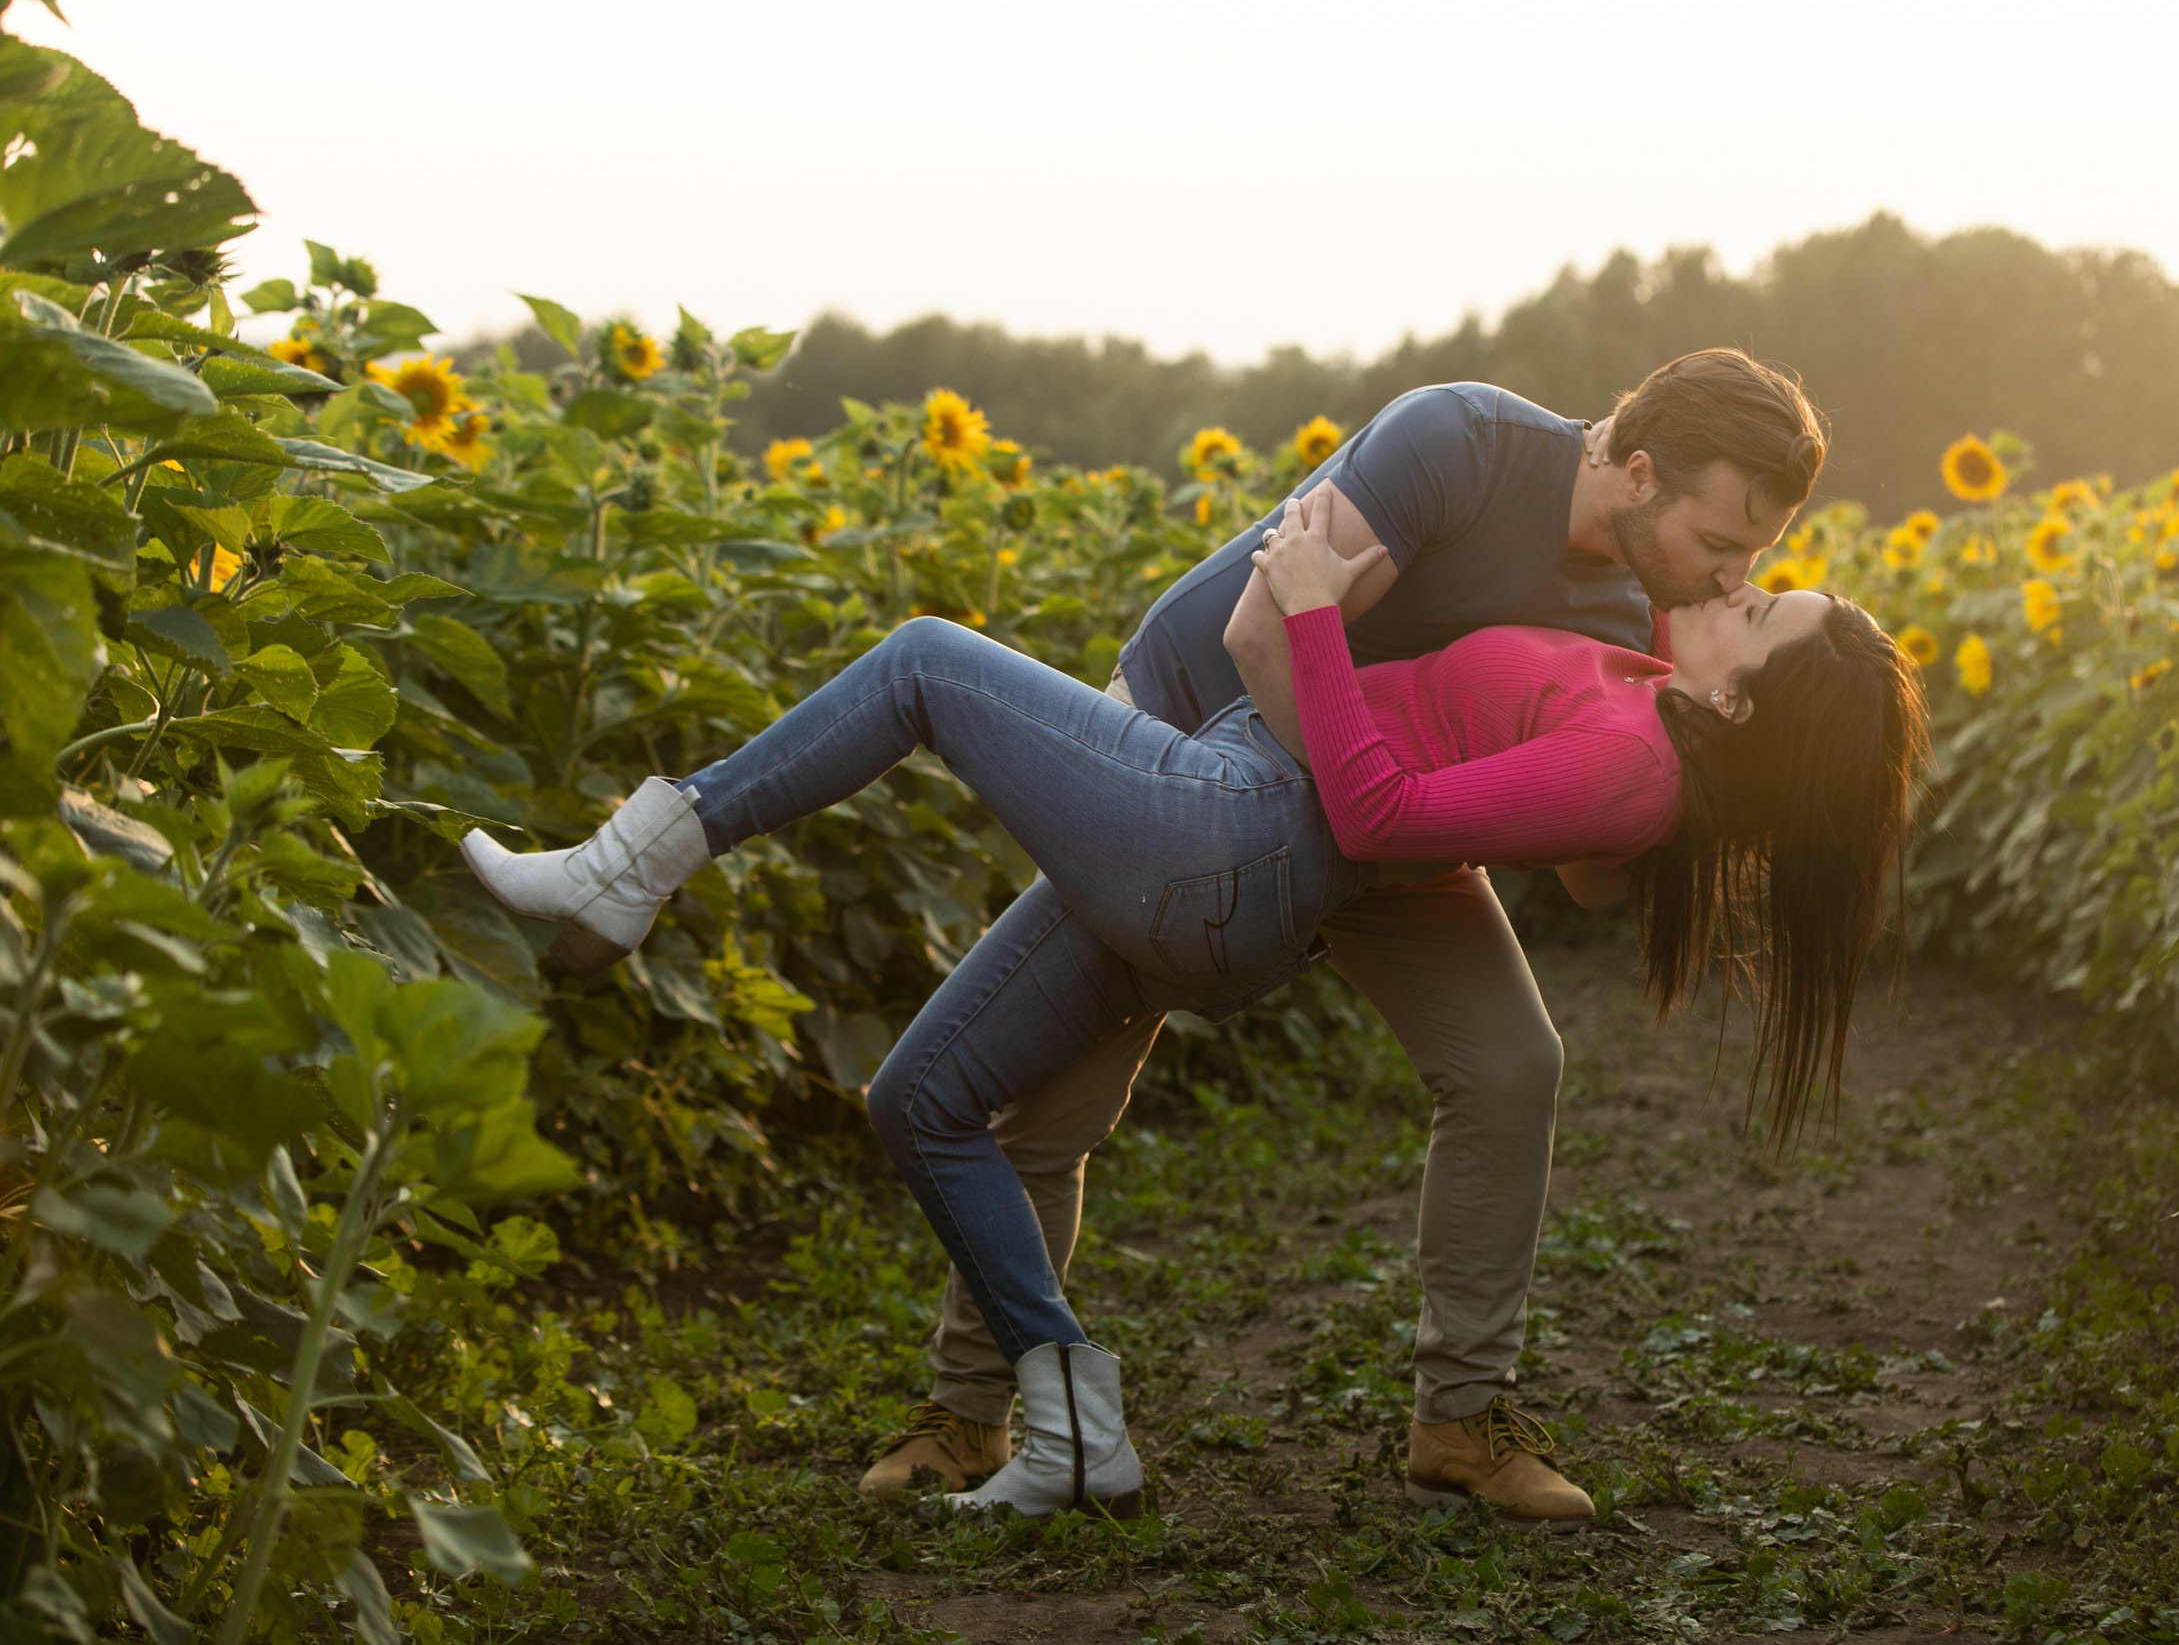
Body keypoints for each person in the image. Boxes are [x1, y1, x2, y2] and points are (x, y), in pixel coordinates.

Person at [461, 488, 1927, 1521]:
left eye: (1756, 598)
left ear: (1743, 709)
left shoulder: (1642, 733)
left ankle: (635, 855)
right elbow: (1581, 837)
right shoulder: (1535, 530)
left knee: (917, 657)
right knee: (922, 1098)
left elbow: (1384, 803)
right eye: (1745, 557)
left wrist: (1304, 614)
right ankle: (1041, 1400)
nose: (1736, 578)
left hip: (1245, 826)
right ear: (1649, 470)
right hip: (1243, 817)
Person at [866, 351, 1838, 1528]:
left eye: (1754, 563)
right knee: (1054, 1106)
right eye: (1722, 541)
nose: (1730, 576)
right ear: (1640, 475)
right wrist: (1329, 831)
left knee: (1512, 1065)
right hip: (1201, 749)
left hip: (1384, 814)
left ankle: (1461, 1418)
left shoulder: (1647, 610)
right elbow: (1256, 632)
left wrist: (1724, 803)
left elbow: (1585, 866)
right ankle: (968, 1406)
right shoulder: (1459, 443)